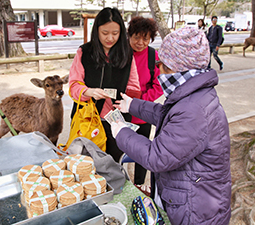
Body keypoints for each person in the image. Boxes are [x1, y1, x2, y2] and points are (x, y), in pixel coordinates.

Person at [110, 27, 231, 224]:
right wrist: (132, 105)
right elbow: (166, 116)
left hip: (196, 213)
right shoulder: (194, 96)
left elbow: (156, 157)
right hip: (192, 199)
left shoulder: (194, 109)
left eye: (163, 66)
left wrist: (121, 133)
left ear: (181, 68)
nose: (159, 72)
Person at [68, 7, 140, 162]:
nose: (110, 38)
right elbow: (74, 85)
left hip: (116, 120)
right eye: (105, 33)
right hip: (88, 119)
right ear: (97, 31)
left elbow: (134, 87)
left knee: (114, 163)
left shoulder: (127, 54)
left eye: (115, 33)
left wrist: (125, 98)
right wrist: (88, 91)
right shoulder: (84, 52)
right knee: (87, 163)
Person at [127, 16, 163, 188]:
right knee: (117, 152)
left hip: (142, 114)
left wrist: (140, 102)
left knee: (142, 153)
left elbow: (159, 84)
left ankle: (140, 185)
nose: (140, 42)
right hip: (120, 113)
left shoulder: (152, 55)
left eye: (145, 38)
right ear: (129, 36)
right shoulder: (120, 52)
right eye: (136, 37)